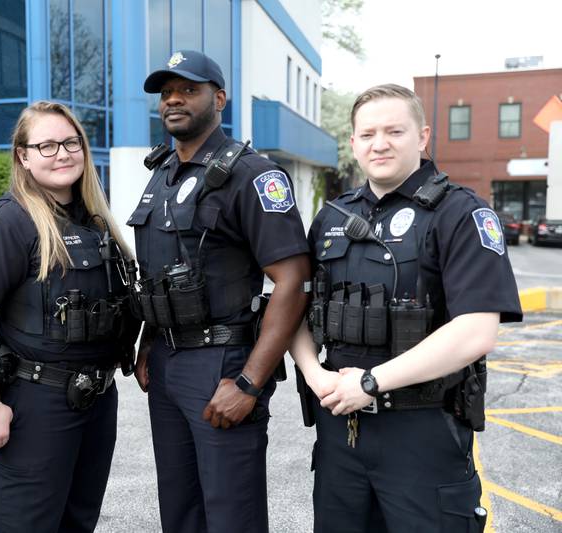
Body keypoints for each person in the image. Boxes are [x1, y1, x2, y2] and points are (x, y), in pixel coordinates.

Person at [291, 84, 522, 532]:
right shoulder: (332, 218)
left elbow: (476, 331)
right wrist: (313, 374)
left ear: (422, 137)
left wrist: (372, 383)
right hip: (341, 433)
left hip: (423, 433)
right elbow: (295, 310)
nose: (380, 143)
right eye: (368, 133)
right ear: (354, 143)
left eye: (395, 130)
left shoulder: (461, 214)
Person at [128, 50, 311, 532]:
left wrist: (250, 382)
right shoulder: (162, 174)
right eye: (166, 92)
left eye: (189, 89)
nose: (173, 100)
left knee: (232, 514)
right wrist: (150, 339)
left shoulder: (253, 175)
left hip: (223, 363)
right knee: (180, 509)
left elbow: (293, 280)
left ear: (219, 98)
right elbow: (164, 268)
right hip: (167, 362)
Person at [0, 101, 139, 533]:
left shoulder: (96, 222)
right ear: (23, 156)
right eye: (47, 145)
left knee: (78, 521)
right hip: (34, 405)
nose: (62, 154)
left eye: (71, 142)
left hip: (96, 400)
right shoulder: (7, 222)